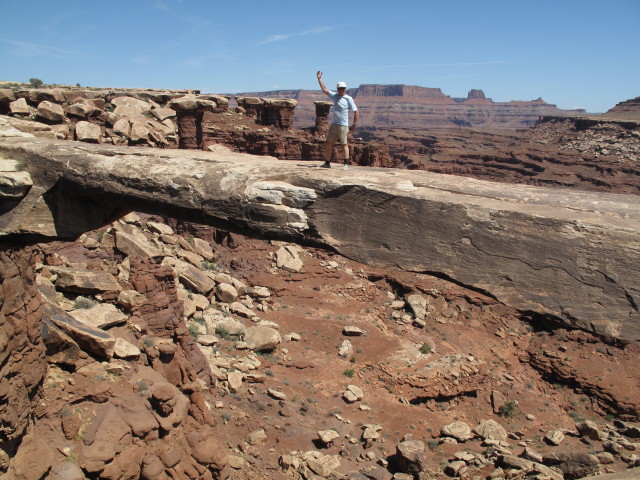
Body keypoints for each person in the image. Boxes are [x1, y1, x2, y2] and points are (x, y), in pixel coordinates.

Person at [316, 71, 359, 169]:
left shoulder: (349, 99)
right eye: (339, 88)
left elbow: (356, 111)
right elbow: (325, 90)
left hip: (343, 125)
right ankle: (327, 163)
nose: (341, 90)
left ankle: (346, 164)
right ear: (337, 89)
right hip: (334, 124)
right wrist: (319, 79)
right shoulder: (335, 96)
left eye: (342, 88)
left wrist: (354, 124)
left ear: (345, 89)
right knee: (328, 143)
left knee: (344, 144)